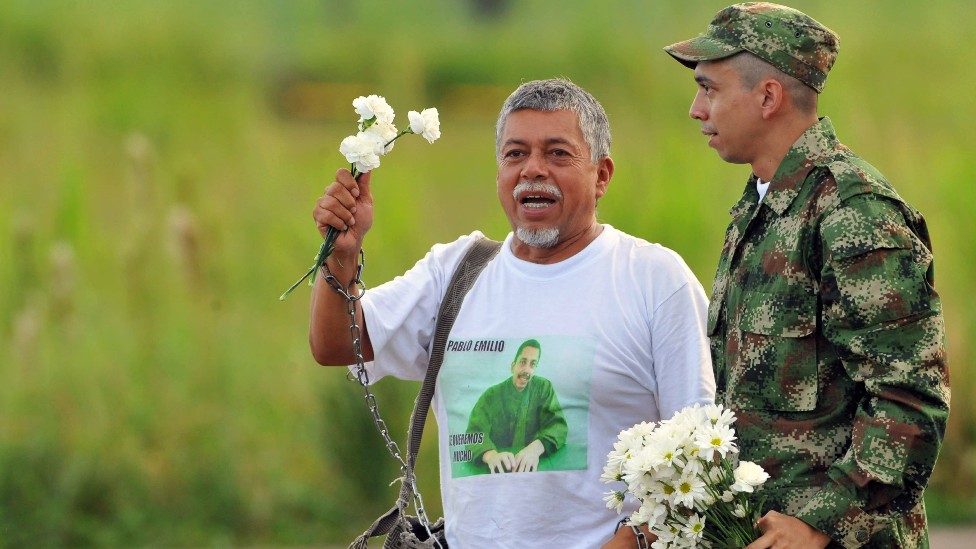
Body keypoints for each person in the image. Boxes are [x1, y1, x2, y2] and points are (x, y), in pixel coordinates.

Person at [309, 78, 715, 547]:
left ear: (602, 175)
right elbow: (337, 345)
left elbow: (699, 454)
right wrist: (342, 254)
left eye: (558, 154)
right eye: (515, 154)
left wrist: (632, 541)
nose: (533, 170)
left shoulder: (653, 279)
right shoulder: (455, 271)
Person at [663, 3, 950, 548]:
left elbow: (909, 397)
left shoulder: (853, 212)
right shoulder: (761, 206)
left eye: (710, 89)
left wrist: (821, 521)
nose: (697, 109)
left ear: (768, 97)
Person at [465, 338, 568, 474]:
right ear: (512, 366)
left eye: (532, 364)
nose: (526, 370)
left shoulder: (544, 388)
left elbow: (558, 426)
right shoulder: (491, 396)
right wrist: (491, 456)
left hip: (536, 471)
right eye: (523, 362)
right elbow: (474, 434)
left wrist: (536, 449)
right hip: (499, 473)